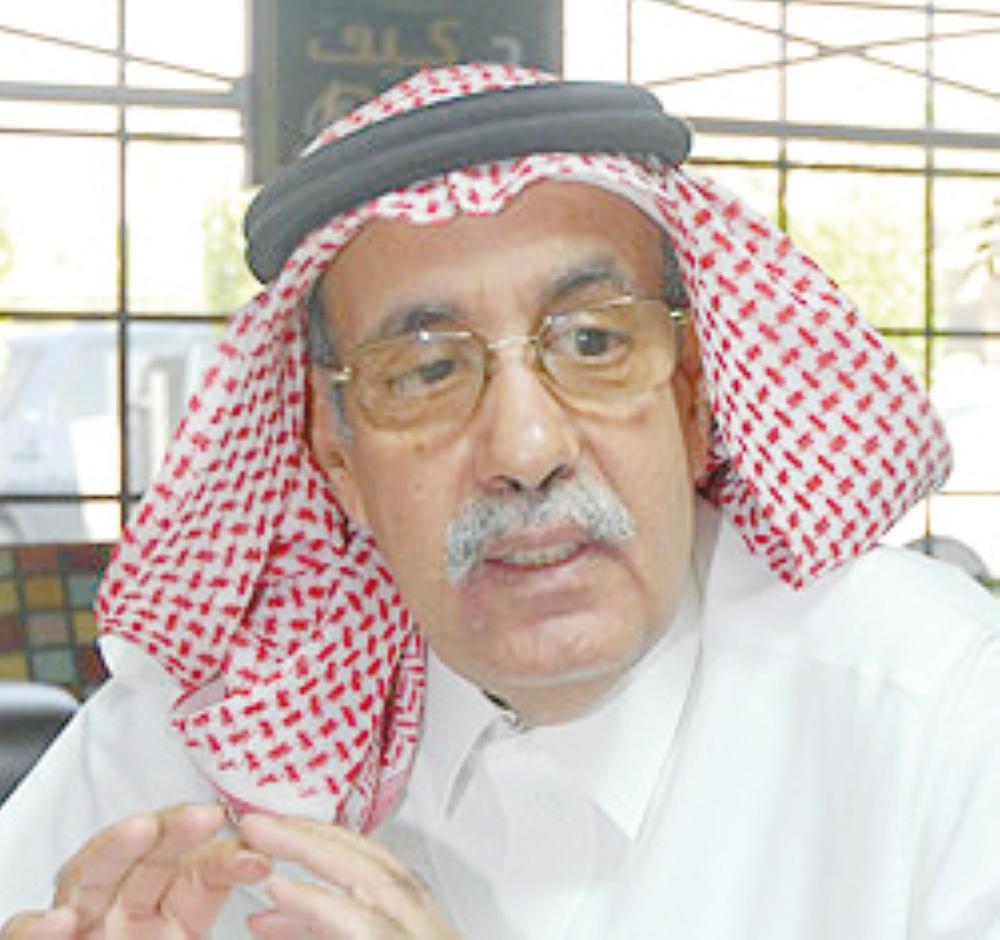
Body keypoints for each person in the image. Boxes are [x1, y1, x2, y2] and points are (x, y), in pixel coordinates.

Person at [1, 62, 998, 938]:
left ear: (694, 398)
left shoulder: (940, 716)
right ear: (335, 457)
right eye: (425, 371)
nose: (526, 451)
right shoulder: (189, 746)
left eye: (595, 343)